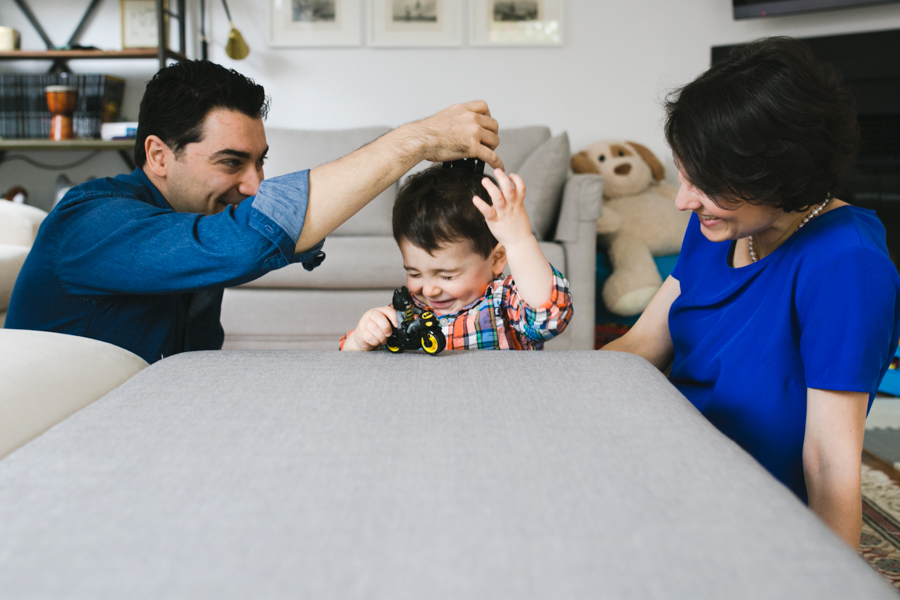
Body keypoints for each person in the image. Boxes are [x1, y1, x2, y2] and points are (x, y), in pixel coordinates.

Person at [603, 37, 900, 548]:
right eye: (683, 174)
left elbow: (830, 463)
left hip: (745, 507)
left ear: (781, 174)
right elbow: (640, 345)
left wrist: (830, 581)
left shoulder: (847, 264)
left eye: (707, 183)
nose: (681, 201)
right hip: (668, 454)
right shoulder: (720, 222)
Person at [5, 61, 502, 364]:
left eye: (259, 162)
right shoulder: (90, 222)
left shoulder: (187, 214)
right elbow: (244, 240)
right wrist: (415, 141)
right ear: (158, 156)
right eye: (231, 162)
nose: (254, 184)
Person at [340, 164, 573, 351]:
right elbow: (349, 357)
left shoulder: (506, 304)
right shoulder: (410, 311)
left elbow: (549, 318)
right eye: (414, 273)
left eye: (447, 276)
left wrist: (519, 241)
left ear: (496, 259)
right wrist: (361, 340)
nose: (429, 290)